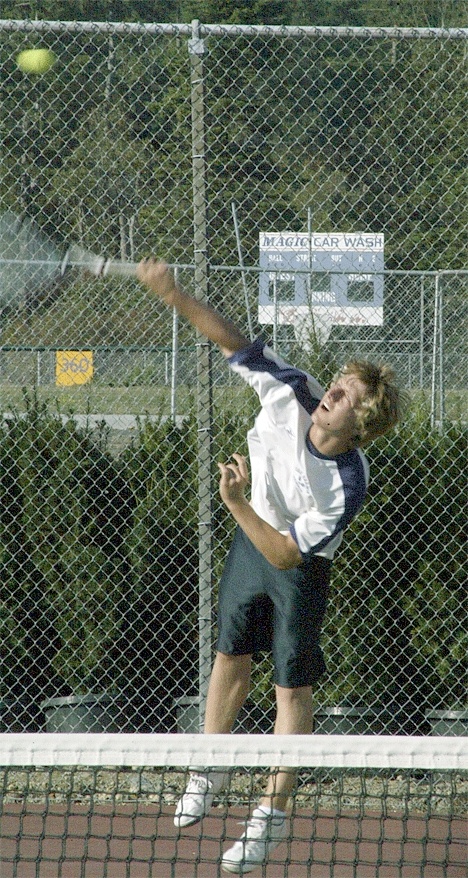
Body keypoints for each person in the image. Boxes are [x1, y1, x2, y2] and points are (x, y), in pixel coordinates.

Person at [137, 258, 407, 874]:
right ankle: (207, 769)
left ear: (357, 425)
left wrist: (235, 504)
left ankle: (269, 817)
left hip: (297, 568)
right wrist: (172, 292)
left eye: (343, 396)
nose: (330, 392)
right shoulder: (291, 389)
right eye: (335, 384)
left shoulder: (347, 483)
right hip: (249, 543)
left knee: (292, 686)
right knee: (230, 656)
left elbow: (287, 552)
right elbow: (232, 339)